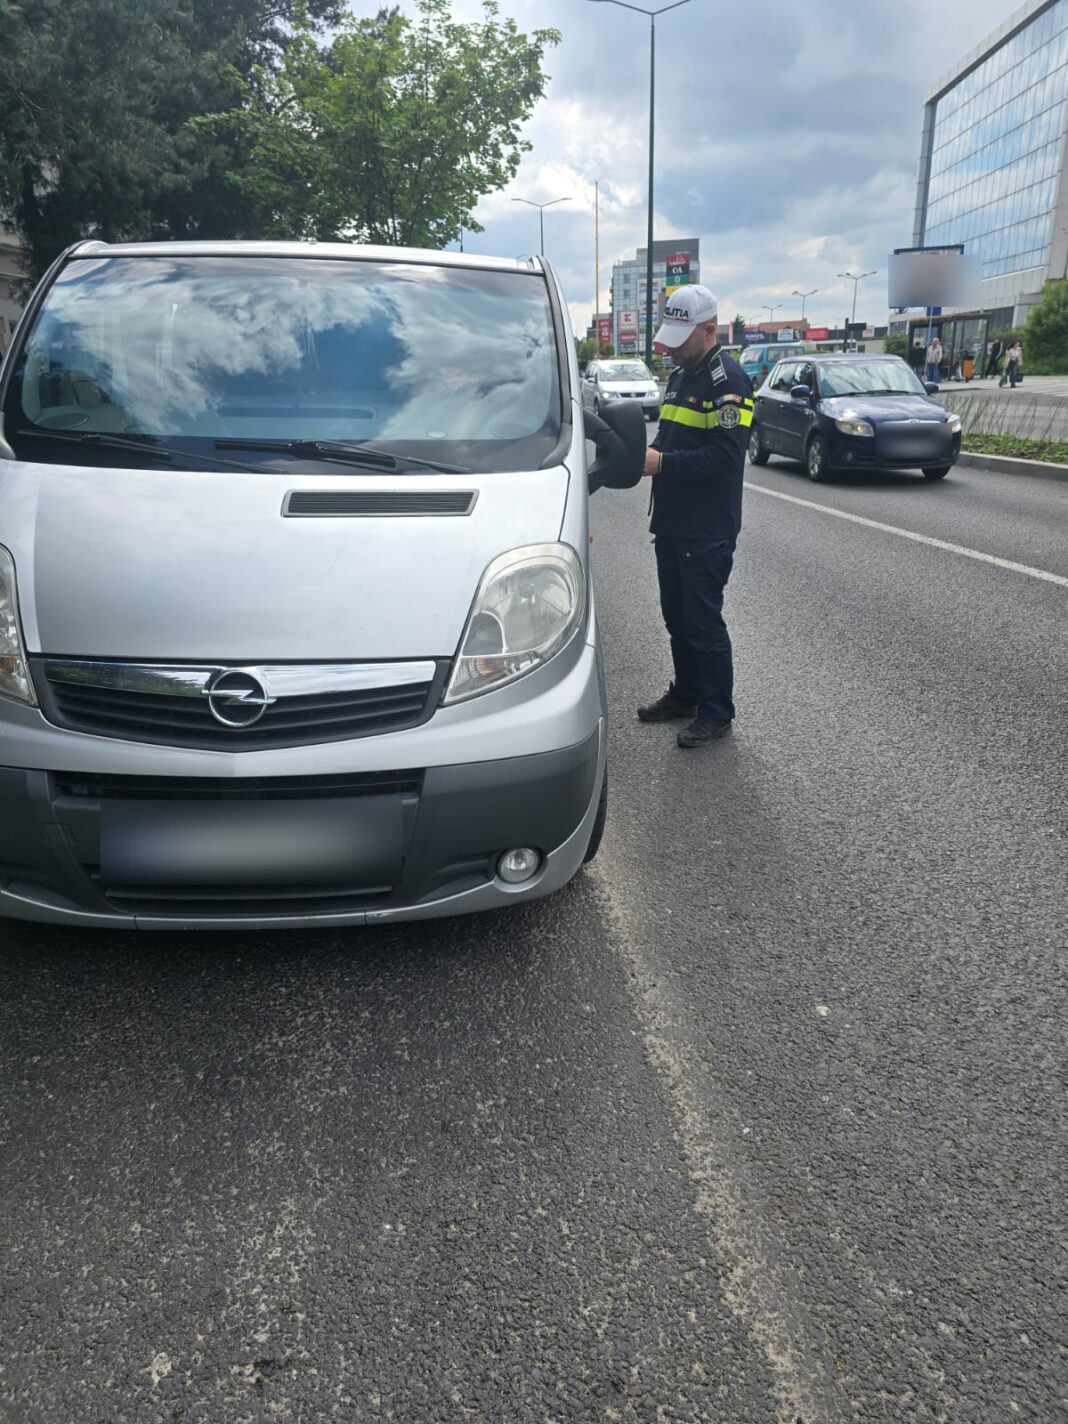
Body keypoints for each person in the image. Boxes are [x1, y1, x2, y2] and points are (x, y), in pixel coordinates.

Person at [636, 284, 753, 748]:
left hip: (706, 527)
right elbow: (668, 436)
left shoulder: (729, 382)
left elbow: (727, 456)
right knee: (676, 618)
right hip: (672, 520)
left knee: (702, 622)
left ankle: (716, 710)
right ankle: (685, 693)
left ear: (710, 330)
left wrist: (660, 463)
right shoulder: (682, 376)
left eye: (682, 337)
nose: (672, 346)